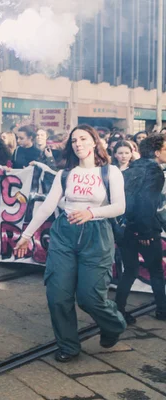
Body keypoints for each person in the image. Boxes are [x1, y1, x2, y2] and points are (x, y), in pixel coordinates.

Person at [14, 124, 126, 363]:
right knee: (57, 295)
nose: (78, 144)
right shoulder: (65, 174)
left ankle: (113, 324)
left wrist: (91, 213)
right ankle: (68, 345)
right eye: (74, 141)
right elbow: (47, 206)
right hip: (64, 235)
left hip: (96, 235)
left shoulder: (110, 172)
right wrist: (26, 235)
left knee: (89, 298)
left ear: (94, 141)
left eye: (83, 139)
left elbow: (119, 206)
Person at [115, 133, 166, 324]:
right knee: (156, 271)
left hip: (125, 229)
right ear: (155, 152)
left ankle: (118, 310)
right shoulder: (154, 172)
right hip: (144, 230)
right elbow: (145, 203)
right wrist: (143, 232)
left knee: (129, 270)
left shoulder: (131, 169)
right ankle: (162, 310)